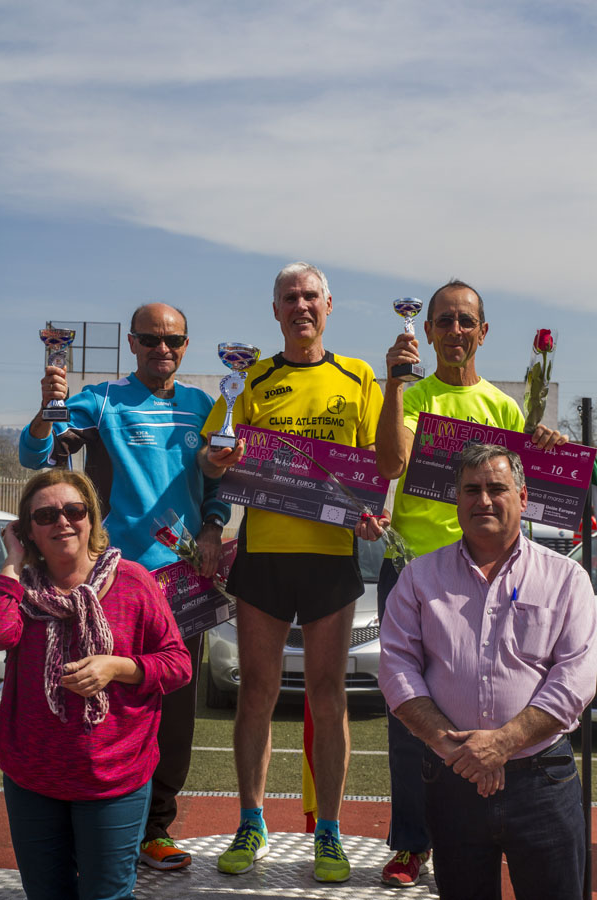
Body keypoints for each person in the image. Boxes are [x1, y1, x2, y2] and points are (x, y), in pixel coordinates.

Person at [18, 303, 231, 870]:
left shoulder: (205, 406)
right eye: (151, 339)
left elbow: (219, 481)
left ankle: (155, 829)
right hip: (111, 582)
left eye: (173, 340)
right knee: (102, 702)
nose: (163, 349)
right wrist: (45, 411)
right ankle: (93, 826)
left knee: (176, 712)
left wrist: (213, 527)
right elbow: (36, 455)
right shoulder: (102, 400)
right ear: (133, 343)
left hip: (183, 581)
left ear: (186, 346)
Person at [372, 279, 567, 888]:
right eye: (444, 321)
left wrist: (548, 444)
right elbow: (392, 463)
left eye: (465, 321)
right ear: (427, 331)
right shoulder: (411, 393)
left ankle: (492, 821)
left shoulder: (504, 407)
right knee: (410, 711)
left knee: (496, 695)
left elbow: (524, 486)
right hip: (417, 573)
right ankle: (411, 843)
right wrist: (394, 384)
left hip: (489, 574)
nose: (454, 331)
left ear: (483, 332)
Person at [198, 262, 384, 883]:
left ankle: (328, 831)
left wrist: (370, 511)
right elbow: (212, 458)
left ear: (329, 305)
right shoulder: (249, 377)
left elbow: (374, 463)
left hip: (331, 558)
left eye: (310, 296)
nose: (300, 306)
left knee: (328, 696)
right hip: (265, 554)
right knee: (257, 692)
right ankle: (251, 821)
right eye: (289, 297)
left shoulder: (358, 376)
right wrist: (218, 456)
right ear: (274, 310)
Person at [378, 444, 597, 900]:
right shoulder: (419, 578)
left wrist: (503, 743)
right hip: (452, 782)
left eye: (497, 488)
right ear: (456, 499)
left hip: (542, 781)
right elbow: (397, 669)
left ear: (522, 496)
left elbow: (576, 678)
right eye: (471, 490)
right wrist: (453, 747)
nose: (483, 500)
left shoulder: (566, 578)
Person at [0, 469, 192, 900]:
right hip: (32, 777)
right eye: (45, 515)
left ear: (91, 519)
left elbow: (178, 664)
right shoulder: (18, 590)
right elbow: (0, 633)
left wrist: (117, 668)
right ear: (28, 530)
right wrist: (12, 563)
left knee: (106, 896)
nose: (62, 522)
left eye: (74, 510)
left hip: (113, 779)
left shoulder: (134, 581)